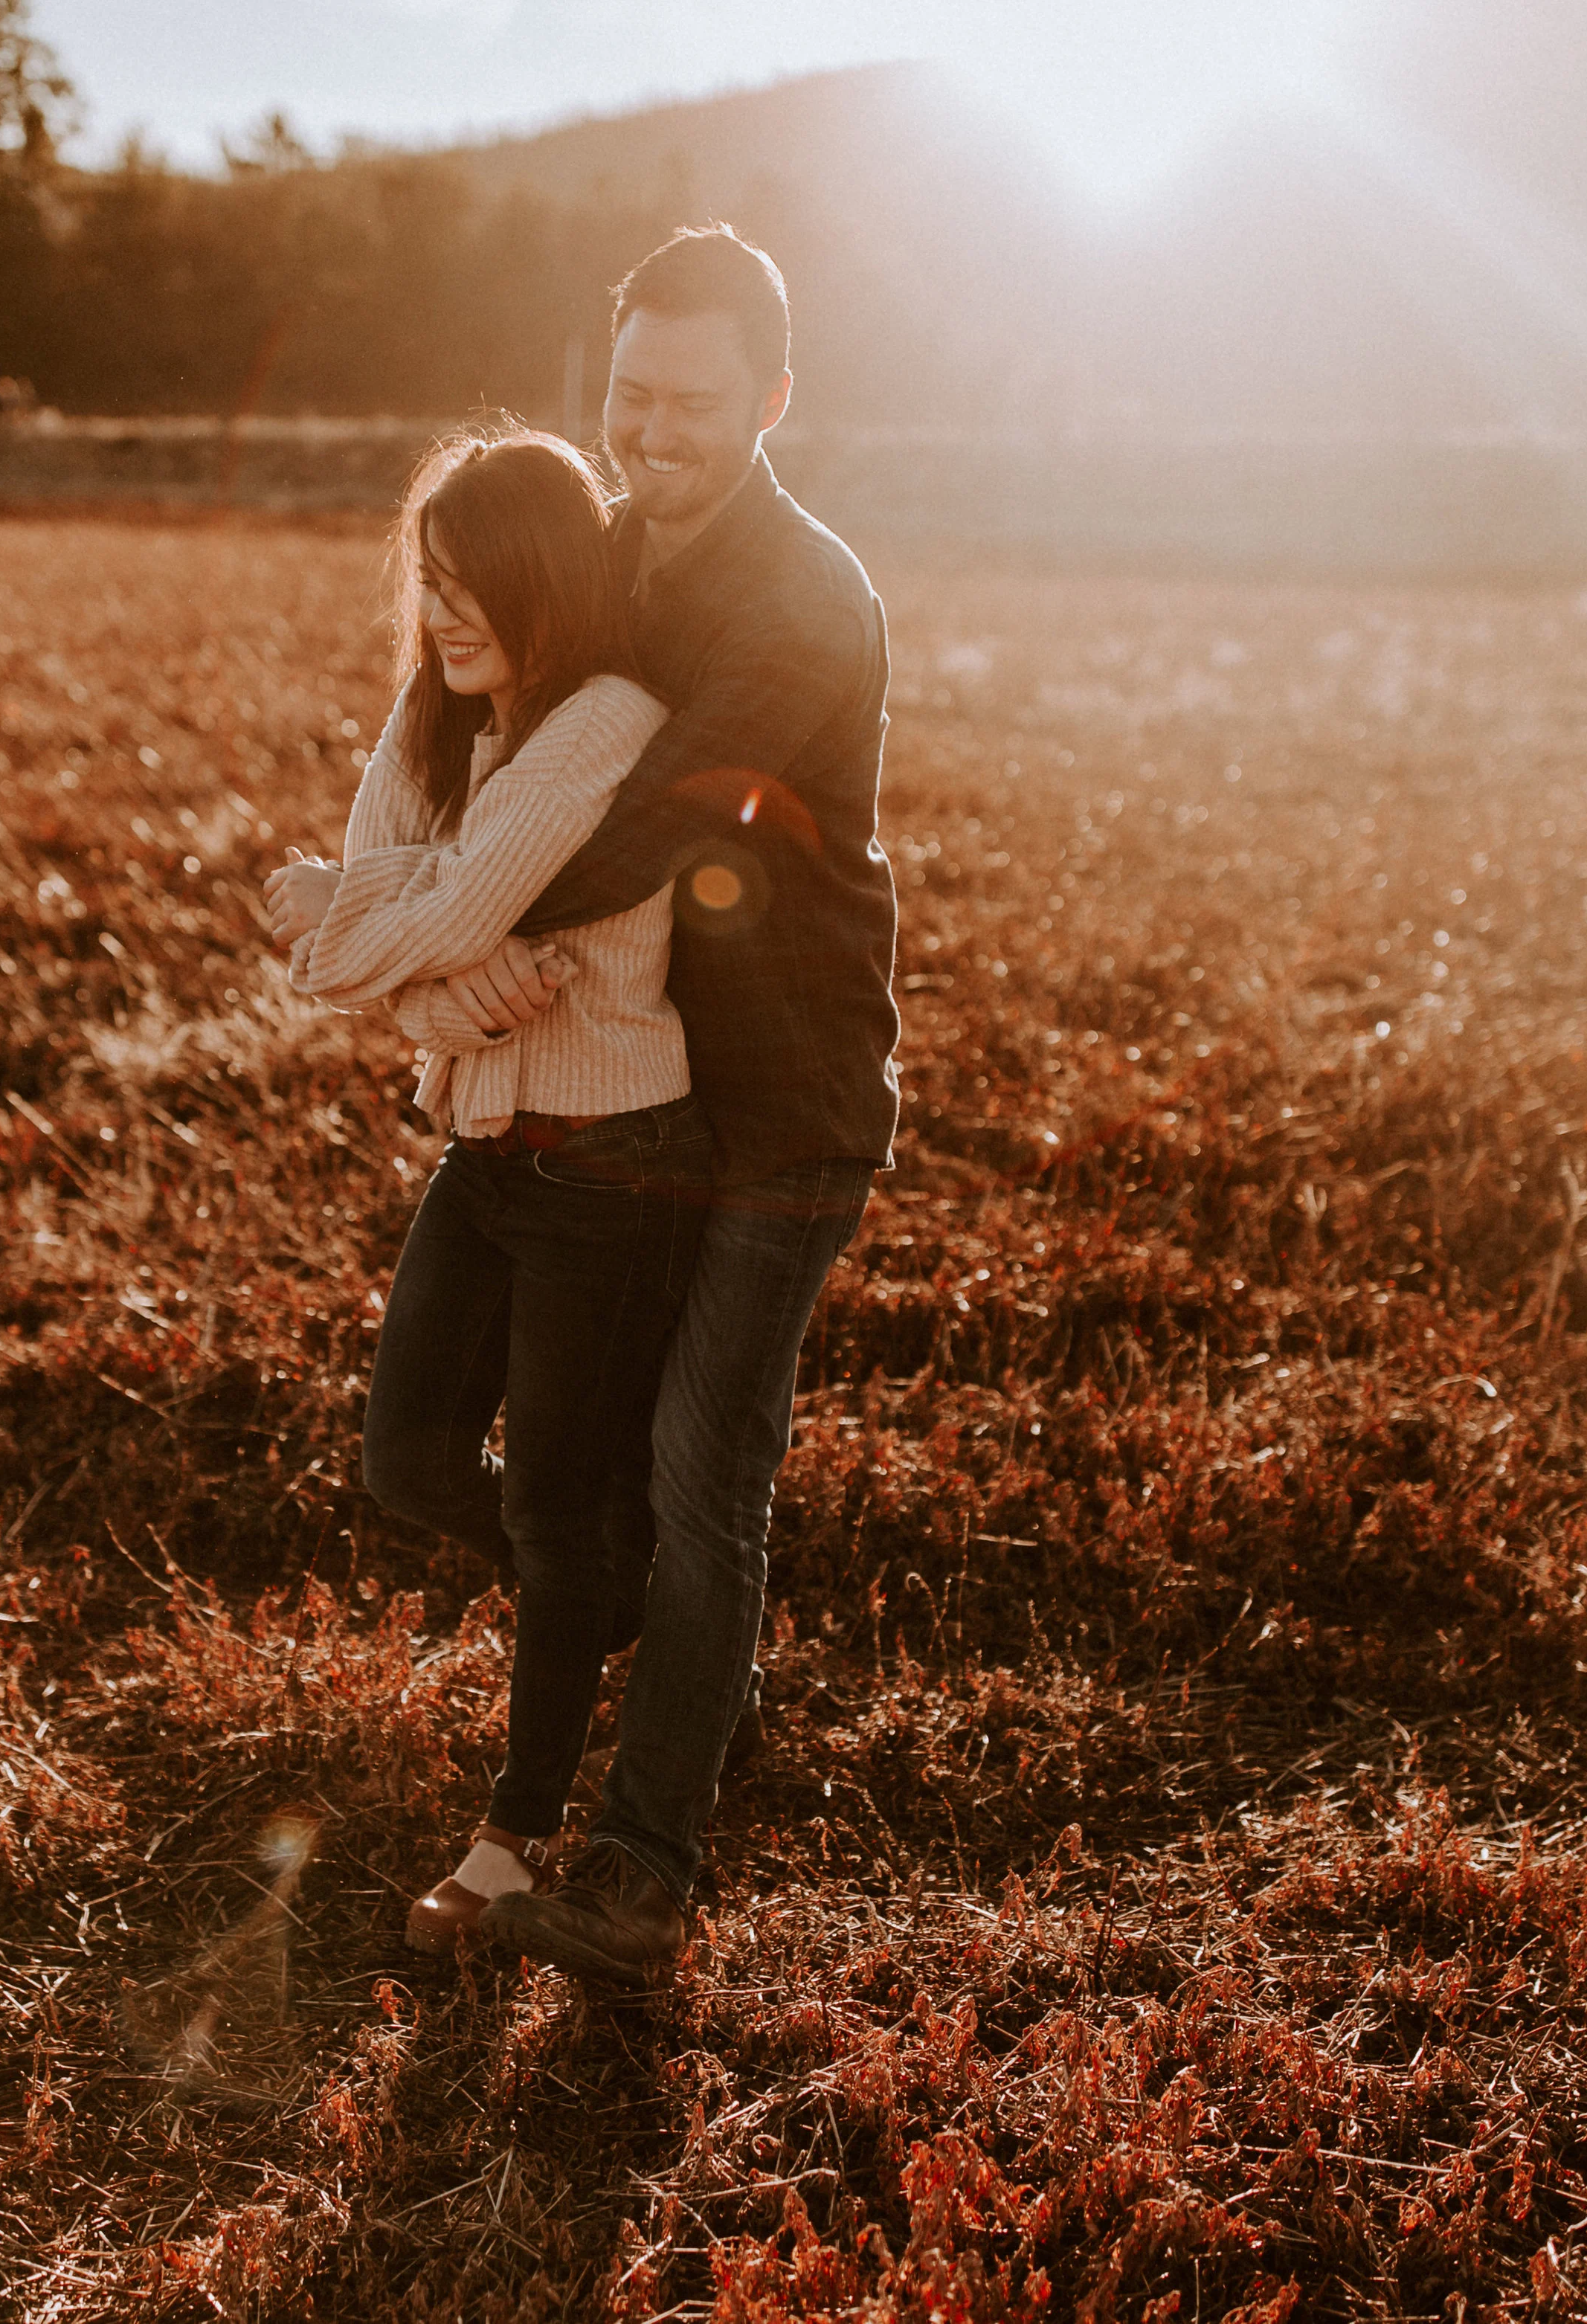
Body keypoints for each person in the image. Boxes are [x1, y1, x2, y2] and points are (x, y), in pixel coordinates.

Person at [473, 226, 901, 1984]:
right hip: (633, 1082)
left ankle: (642, 1863)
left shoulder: (801, 595)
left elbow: (655, 818)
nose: (647, 430)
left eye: (691, 404)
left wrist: (436, 921)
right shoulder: (605, 549)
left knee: (700, 1467)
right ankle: (695, 1694)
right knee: (583, 1468)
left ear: (773, 402)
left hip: (783, 1097)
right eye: (627, 392)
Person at [263, 428, 713, 1954]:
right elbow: (417, 951)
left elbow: (400, 912)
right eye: (428, 585)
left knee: (546, 1504)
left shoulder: (605, 720)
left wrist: (342, 915)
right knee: (405, 1459)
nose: (444, 617)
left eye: (473, 587)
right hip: (485, 1142)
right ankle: (623, 1617)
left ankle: (516, 1839)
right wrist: (432, 993)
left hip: (611, 1164)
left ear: (543, 577)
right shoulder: (432, 718)